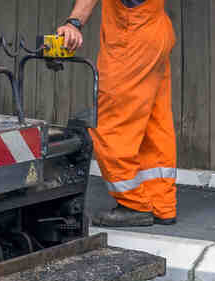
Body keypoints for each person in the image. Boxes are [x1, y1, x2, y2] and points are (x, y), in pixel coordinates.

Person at [58, 0, 177, 227]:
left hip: (131, 36)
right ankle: (161, 203)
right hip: (154, 28)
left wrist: (74, 23)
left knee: (111, 126)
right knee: (152, 125)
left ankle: (134, 204)